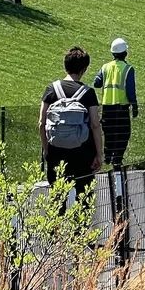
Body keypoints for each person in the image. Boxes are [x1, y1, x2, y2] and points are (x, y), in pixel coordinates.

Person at [40, 46, 103, 205]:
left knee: (57, 200)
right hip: (83, 153)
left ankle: (55, 229)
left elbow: (41, 122)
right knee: (84, 199)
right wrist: (99, 154)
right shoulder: (88, 93)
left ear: (65, 66)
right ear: (84, 69)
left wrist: (46, 148)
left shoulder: (51, 90)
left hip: (56, 152)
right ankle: (81, 230)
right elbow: (95, 124)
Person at [93, 38, 139, 166]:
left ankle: (107, 158)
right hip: (122, 108)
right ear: (125, 53)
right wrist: (134, 106)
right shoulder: (128, 69)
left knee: (109, 134)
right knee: (123, 134)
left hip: (107, 108)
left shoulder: (105, 67)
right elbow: (130, 90)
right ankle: (117, 159)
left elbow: (96, 83)